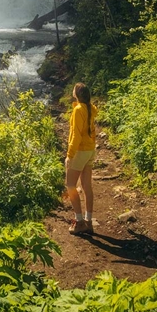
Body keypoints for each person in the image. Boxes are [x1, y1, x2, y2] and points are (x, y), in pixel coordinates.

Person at [64, 82, 96, 235]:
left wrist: (69, 155)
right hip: (90, 150)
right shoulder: (90, 108)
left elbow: (76, 135)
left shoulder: (78, 110)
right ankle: (88, 221)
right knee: (86, 186)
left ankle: (79, 222)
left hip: (80, 151)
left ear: (77, 93)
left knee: (70, 185)